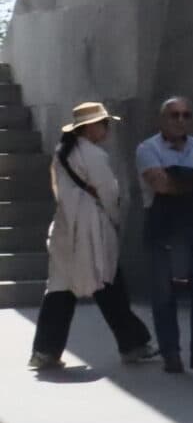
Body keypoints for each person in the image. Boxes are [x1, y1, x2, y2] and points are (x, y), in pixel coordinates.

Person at [29, 103, 157, 373]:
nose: (106, 129)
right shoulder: (94, 155)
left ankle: (45, 350)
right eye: (103, 124)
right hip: (92, 230)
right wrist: (114, 220)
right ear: (89, 128)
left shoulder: (63, 153)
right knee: (108, 283)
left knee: (61, 290)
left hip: (67, 228)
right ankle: (133, 343)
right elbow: (109, 194)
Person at [135, 96, 193, 373]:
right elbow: (161, 184)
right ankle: (171, 353)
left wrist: (184, 177)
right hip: (161, 224)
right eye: (174, 115)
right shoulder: (147, 148)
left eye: (186, 115)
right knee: (164, 293)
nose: (180, 120)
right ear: (161, 119)